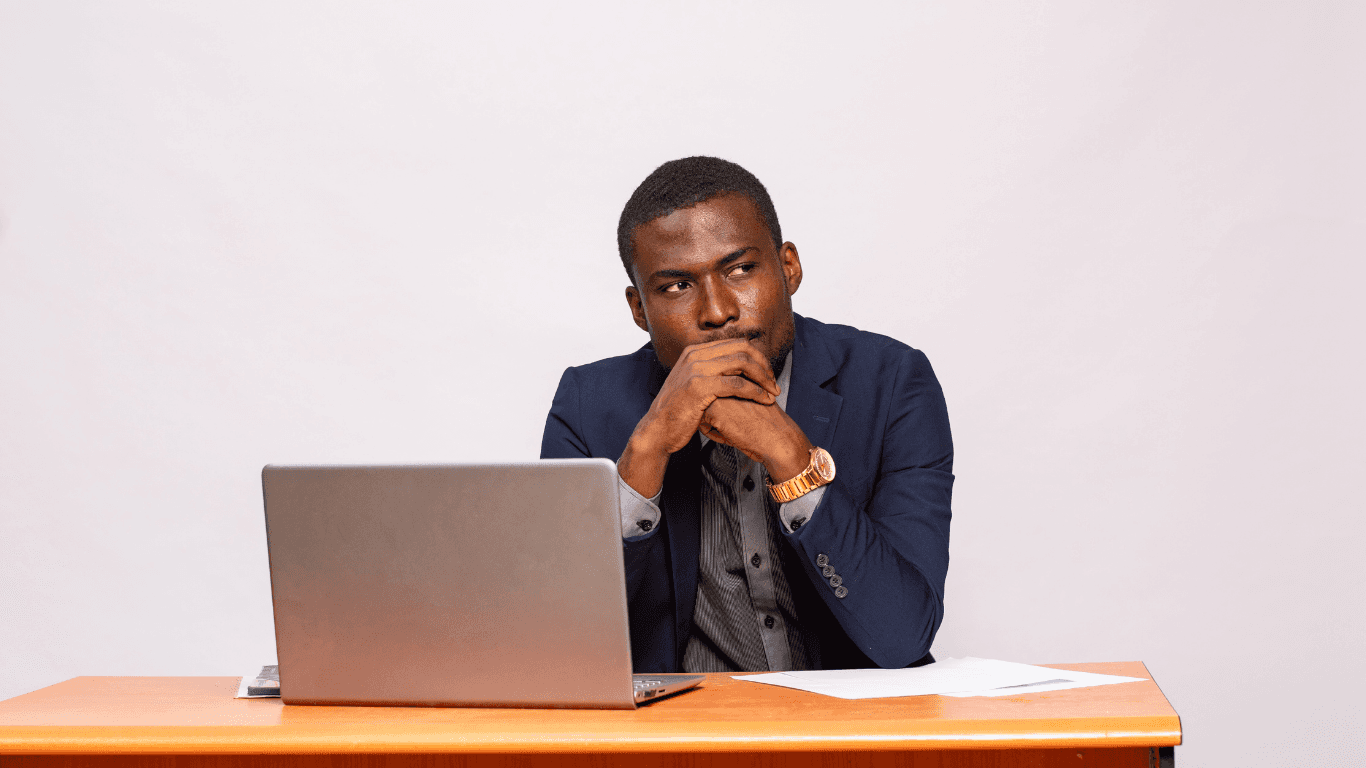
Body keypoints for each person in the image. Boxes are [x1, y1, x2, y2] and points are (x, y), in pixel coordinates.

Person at [540, 157, 953, 673]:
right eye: (675, 286)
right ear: (639, 309)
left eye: (739, 270)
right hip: (676, 742)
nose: (717, 312)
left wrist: (793, 459)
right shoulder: (587, 404)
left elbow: (901, 637)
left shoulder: (892, 384)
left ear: (789, 267)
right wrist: (645, 453)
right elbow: (562, 648)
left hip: (848, 738)